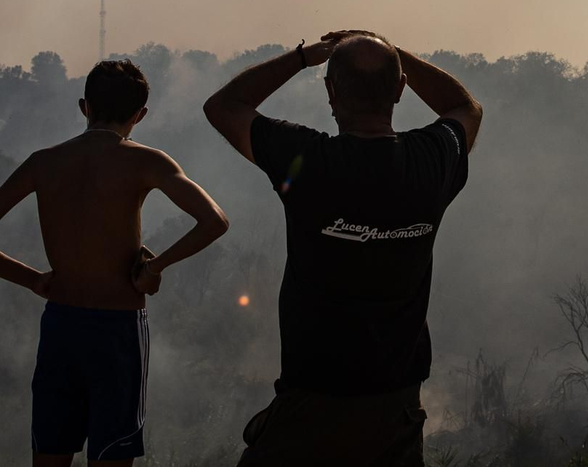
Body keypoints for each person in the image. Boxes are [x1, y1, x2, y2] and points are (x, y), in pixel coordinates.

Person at [203, 30, 482, 467]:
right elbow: (465, 108)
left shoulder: (306, 159)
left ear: (331, 91)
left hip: (310, 406)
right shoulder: (432, 161)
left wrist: (302, 58)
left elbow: (223, 107)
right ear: (401, 88)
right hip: (396, 410)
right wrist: (391, 50)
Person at [0, 59, 229, 467]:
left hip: (61, 322)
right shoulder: (147, 162)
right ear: (140, 115)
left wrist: (33, 280)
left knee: (49, 453)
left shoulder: (44, 162)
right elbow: (214, 221)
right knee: (112, 454)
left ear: (84, 106)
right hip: (117, 328)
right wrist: (155, 267)